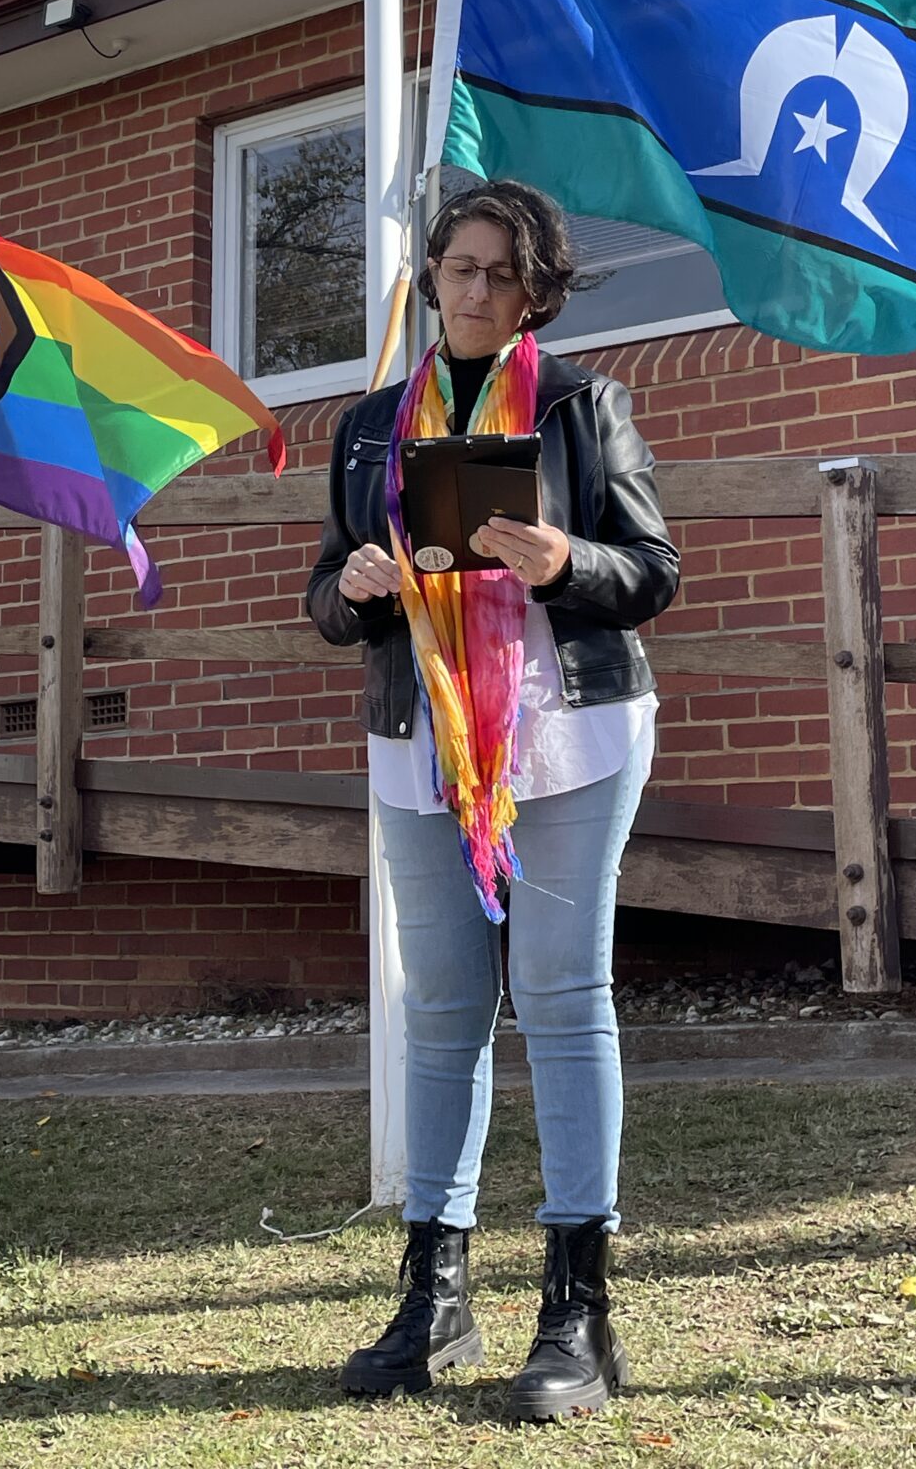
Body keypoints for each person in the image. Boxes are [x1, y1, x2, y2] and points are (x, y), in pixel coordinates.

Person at [307, 181, 679, 1421]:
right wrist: (356, 585)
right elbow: (323, 603)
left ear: (536, 291)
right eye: (455, 268)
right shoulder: (369, 426)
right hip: (422, 746)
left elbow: (651, 571)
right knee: (445, 1008)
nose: (471, 292)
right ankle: (437, 1293)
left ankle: (578, 1310)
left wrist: (568, 561)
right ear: (432, 276)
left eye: (497, 275)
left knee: (564, 997)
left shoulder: (582, 403)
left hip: (568, 735)